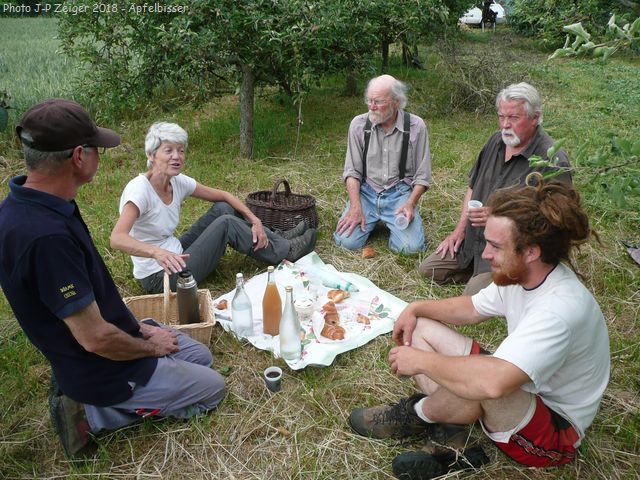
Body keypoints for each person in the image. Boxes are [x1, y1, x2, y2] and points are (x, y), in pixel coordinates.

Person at [0, 99, 226, 457]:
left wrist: (142, 327)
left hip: (113, 334)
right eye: (96, 150)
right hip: (99, 367)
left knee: (201, 356)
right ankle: (93, 413)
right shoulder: (45, 238)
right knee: (213, 389)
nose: (99, 157)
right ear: (78, 156)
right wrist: (149, 347)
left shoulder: (36, 202)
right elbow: (96, 339)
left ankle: (143, 376)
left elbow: (89, 305)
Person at [349, 180, 610, 480]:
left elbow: (493, 384)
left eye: (496, 246)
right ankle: (453, 435)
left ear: (531, 252)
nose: (485, 254)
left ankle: (416, 414)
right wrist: (415, 308)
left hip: (552, 431)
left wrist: (419, 362)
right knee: (421, 328)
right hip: (519, 389)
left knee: (483, 381)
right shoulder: (521, 274)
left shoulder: (559, 309)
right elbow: (472, 308)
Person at [110, 122, 317, 294]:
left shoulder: (177, 181)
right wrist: (156, 253)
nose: (177, 156)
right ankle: (285, 251)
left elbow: (224, 196)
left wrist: (256, 221)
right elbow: (117, 238)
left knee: (223, 208)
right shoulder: (139, 191)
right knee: (226, 224)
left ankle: (278, 237)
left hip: (176, 252)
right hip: (161, 277)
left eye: (181, 151)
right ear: (151, 155)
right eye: (169, 150)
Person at [418, 82, 572, 295]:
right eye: (502, 116)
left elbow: (557, 221)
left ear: (535, 118)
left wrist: (502, 216)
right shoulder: (495, 141)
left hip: (512, 251)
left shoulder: (552, 159)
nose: (505, 125)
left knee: (472, 296)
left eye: (514, 118)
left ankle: (516, 279)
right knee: (428, 270)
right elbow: (472, 187)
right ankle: (479, 272)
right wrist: (459, 231)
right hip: (475, 241)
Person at [334, 74, 431, 254]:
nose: (371, 106)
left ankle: (393, 226)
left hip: (399, 194)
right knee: (347, 243)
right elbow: (352, 172)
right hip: (367, 193)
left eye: (378, 101)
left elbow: (423, 177)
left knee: (411, 249)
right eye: (369, 100)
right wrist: (356, 207)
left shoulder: (416, 126)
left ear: (396, 102)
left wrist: (410, 203)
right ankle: (370, 218)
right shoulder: (358, 125)